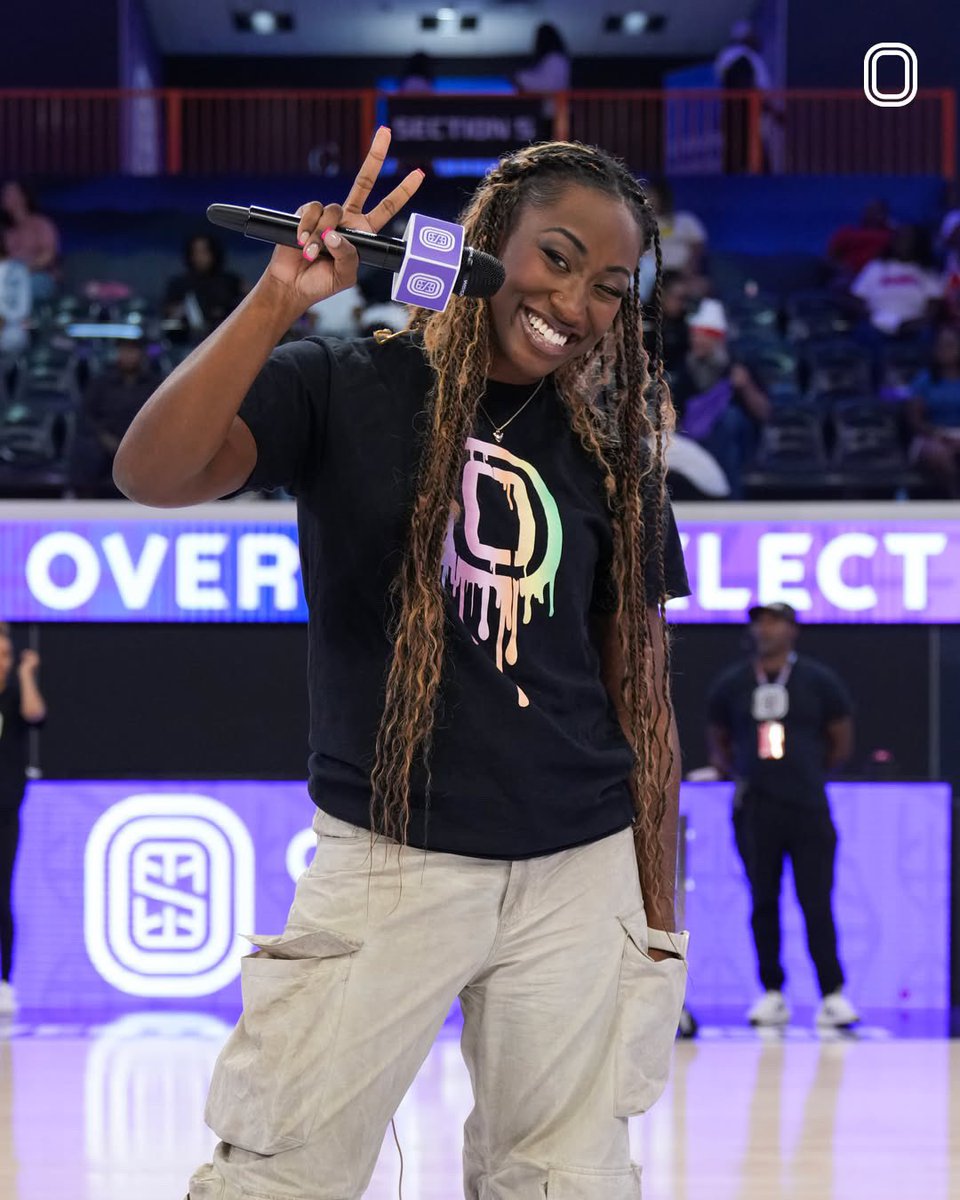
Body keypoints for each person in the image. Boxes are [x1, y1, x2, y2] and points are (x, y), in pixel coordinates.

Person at [115, 127, 691, 1200]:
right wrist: (283, 296)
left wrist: (654, 919)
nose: (575, 304)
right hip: (392, 857)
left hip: (578, 870)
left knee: (567, 1181)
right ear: (485, 243)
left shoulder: (615, 458)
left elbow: (638, 701)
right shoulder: (349, 381)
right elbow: (154, 471)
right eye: (556, 258)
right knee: (280, 1176)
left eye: (611, 286)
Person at [706, 602, 858, 1029]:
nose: (765, 628)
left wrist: (806, 776)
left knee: (816, 901)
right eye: (759, 621)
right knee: (762, 901)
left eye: (774, 620)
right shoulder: (733, 683)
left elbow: (840, 742)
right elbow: (717, 737)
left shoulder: (817, 681)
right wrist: (739, 772)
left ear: (793, 629)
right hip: (755, 809)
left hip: (808, 807)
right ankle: (772, 992)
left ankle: (832, 995)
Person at [670, 297, 771, 497]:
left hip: (735, 441)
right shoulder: (685, 370)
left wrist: (746, 386)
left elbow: (764, 412)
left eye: (702, 336)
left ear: (716, 339)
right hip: (692, 437)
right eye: (694, 336)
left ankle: (731, 497)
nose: (696, 340)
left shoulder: (737, 365)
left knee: (729, 420)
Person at [0, 629, 46, 1016]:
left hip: (5, 812)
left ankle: (5, 982)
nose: (3, 661)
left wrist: (26, 673)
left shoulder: (15, 697)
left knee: (2, 895)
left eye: (6, 655)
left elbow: (36, 714)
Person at [68, 334, 157, 497]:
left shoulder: (154, 384)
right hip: (104, 440)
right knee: (85, 446)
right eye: (124, 351)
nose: (128, 356)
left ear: (141, 354)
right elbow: (86, 414)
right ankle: (83, 500)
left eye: (133, 351)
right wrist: (104, 437)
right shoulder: (101, 382)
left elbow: (158, 418)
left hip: (141, 442)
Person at [904, 323, 960, 496]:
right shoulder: (924, 380)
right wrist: (938, 435)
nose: (944, 350)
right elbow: (914, 419)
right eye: (940, 345)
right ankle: (955, 500)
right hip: (931, 436)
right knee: (939, 454)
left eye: (950, 345)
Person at [163, 233, 247, 346]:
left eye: (204, 252)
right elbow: (168, 314)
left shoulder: (230, 281)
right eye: (196, 252)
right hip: (188, 342)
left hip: (226, 338)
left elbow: (250, 301)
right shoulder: (179, 284)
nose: (200, 257)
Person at [713, 20, 774, 174]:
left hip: (736, 111)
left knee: (738, 148)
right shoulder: (743, 57)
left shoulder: (726, 57)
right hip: (746, 111)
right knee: (748, 146)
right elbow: (758, 86)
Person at [0, 181, 59, 303]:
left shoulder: (41, 224)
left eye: (9, 194)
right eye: (4, 195)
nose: (4, 198)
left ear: (23, 197)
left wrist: (23, 270)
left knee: (20, 289)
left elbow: (48, 255)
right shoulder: (6, 231)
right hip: (10, 277)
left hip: (38, 275)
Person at [0, 213, 31, 359]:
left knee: (14, 338)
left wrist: (5, 317)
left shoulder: (18, 271)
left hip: (10, 330)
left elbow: (22, 309)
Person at [514, 23, 571, 93]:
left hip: (555, 102)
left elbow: (547, 85)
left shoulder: (555, 59)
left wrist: (520, 77)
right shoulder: (551, 58)